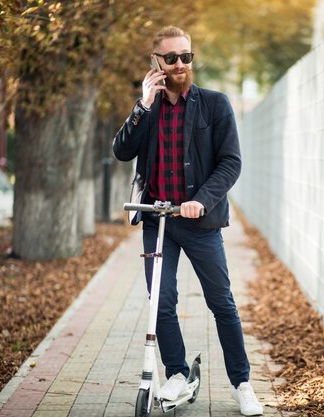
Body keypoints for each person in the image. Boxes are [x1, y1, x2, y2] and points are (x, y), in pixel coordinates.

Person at [112, 26, 264, 416]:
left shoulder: (214, 104)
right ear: (156, 63)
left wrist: (200, 200)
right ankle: (177, 373)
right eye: (171, 58)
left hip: (200, 221)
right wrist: (142, 106)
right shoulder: (148, 109)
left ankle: (242, 382)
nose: (180, 64)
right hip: (157, 219)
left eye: (186, 57)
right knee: (159, 303)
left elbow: (231, 162)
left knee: (222, 302)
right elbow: (122, 150)